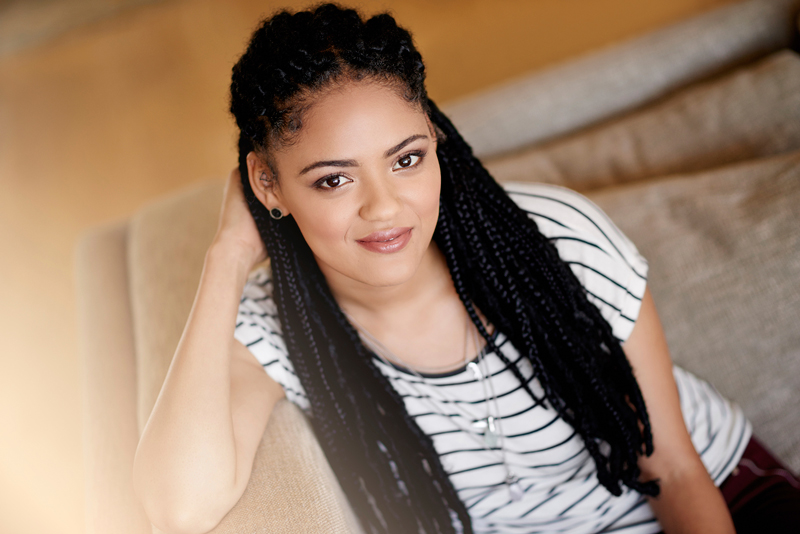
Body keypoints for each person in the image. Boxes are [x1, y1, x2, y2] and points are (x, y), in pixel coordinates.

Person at [132, 4, 800, 534]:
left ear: (436, 139)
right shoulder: (273, 328)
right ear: (266, 184)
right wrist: (225, 258)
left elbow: (678, 472)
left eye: (407, 159)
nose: (386, 208)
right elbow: (179, 511)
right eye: (334, 180)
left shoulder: (561, 245)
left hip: (718, 498)